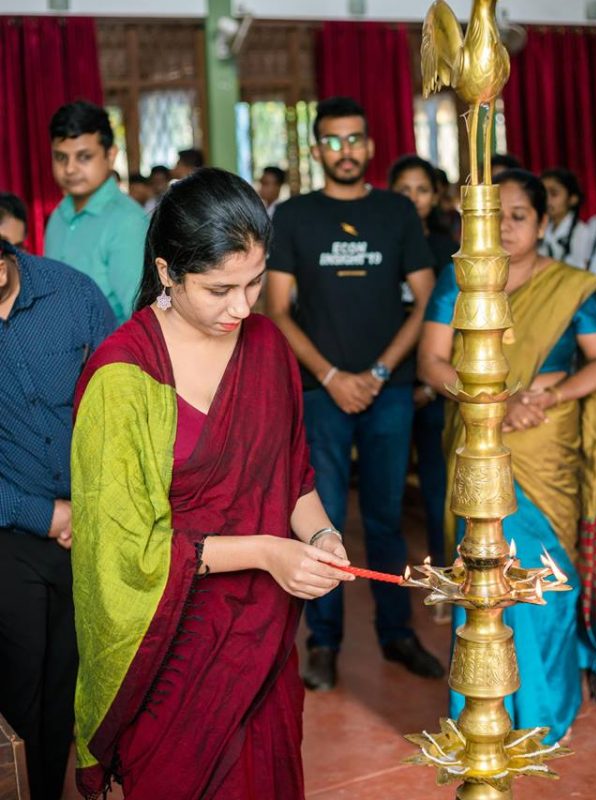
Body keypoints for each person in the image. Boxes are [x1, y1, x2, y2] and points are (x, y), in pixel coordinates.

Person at [70, 167, 353, 799]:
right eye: (220, 289)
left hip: (260, 636)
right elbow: (124, 552)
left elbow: (293, 477)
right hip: (172, 644)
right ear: (167, 273)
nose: (242, 307)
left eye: (255, 282)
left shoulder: (268, 346)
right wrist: (266, 551)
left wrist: (321, 536)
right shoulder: (124, 378)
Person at [266, 96, 443, 692]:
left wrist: (378, 371)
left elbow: (427, 300)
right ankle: (324, 642)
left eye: (354, 139)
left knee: (387, 518)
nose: (344, 151)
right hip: (321, 393)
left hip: (389, 391)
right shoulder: (294, 216)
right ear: (317, 149)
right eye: (333, 141)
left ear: (369, 145)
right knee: (324, 524)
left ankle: (398, 634)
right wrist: (334, 378)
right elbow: (277, 310)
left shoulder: (396, 211)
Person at [419, 168, 596, 743]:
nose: (505, 227)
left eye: (519, 216)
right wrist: (495, 402)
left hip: (544, 443)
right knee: (484, 575)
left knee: (544, 579)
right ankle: (482, 715)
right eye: (495, 215)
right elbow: (431, 361)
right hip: (479, 441)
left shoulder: (574, 287)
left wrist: (547, 396)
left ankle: (544, 717)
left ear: (544, 223)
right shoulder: (458, 280)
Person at [0, 238, 115, 800]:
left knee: (69, 682)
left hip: (92, 526)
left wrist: (93, 506)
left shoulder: (73, 295)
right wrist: (44, 515)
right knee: (19, 683)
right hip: (11, 530)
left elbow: (122, 404)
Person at [388, 154, 458, 572]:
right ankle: (399, 578)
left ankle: (448, 575)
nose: (414, 198)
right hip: (388, 383)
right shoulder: (382, 241)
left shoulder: (447, 250)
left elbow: (459, 327)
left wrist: (431, 385)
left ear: (436, 196)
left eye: (423, 190)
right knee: (388, 492)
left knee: (439, 487)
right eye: (405, 190)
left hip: (435, 387)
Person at [45, 100, 148, 324]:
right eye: (61, 157)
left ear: (110, 156)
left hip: (111, 347)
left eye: (84, 157)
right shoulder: (58, 217)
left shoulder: (128, 222)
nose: (70, 168)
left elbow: (141, 319)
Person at [540, 167, 589, 269]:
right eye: (544, 194)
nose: (547, 200)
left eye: (554, 194)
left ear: (572, 199)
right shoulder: (541, 229)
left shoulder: (583, 233)